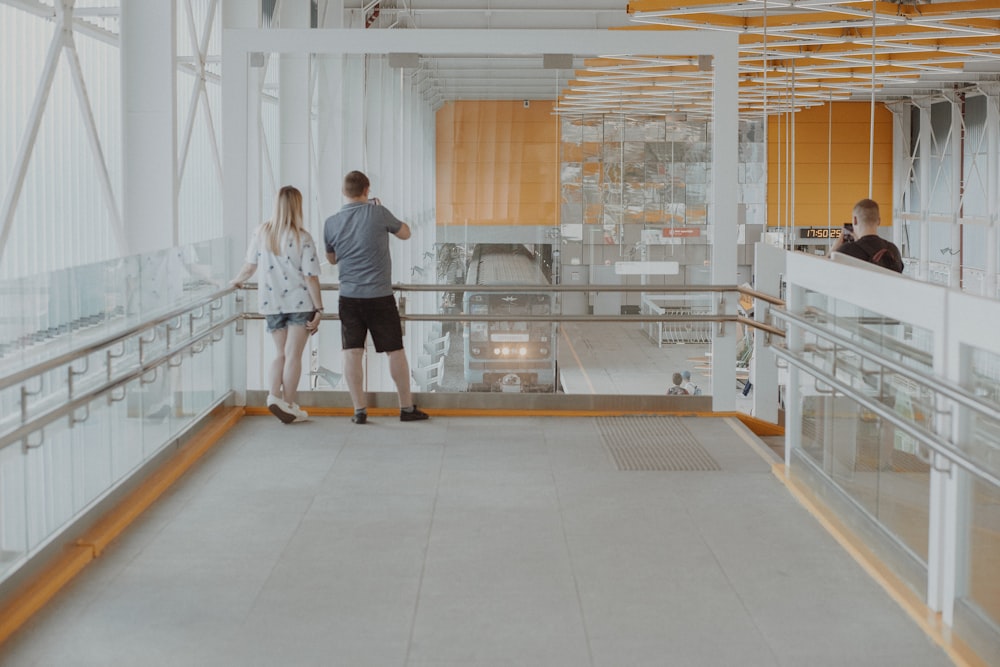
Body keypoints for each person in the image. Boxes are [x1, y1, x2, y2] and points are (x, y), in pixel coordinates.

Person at [323, 170, 429, 424]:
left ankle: (359, 410)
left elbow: (332, 258)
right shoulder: (378, 213)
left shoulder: (331, 222)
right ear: (367, 190)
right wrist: (379, 212)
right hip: (380, 295)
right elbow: (405, 233)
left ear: (343, 192)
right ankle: (405, 407)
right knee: (395, 351)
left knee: (352, 352)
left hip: (348, 297)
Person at [231, 185, 323, 424]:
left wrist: (236, 281)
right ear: (297, 206)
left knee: (280, 353)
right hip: (299, 303)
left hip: (271, 303)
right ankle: (290, 405)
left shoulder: (262, 233)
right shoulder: (303, 237)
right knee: (294, 356)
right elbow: (310, 276)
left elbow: (249, 266)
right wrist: (320, 309)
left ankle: (274, 396)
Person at [831, 198, 904, 273]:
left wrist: (833, 250)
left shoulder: (846, 251)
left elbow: (825, 274)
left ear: (855, 220)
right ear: (879, 221)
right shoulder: (893, 250)